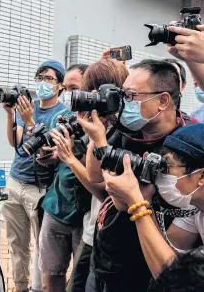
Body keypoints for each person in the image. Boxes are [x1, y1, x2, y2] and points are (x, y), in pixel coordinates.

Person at [78, 59, 198, 292]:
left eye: (131, 95)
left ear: (163, 100)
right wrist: (96, 137)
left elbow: (124, 202)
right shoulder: (129, 129)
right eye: (123, 94)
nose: (124, 102)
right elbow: (94, 176)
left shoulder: (186, 144)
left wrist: (104, 146)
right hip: (107, 253)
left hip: (146, 265)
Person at [101, 123, 204, 292]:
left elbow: (174, 282)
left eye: (168, 167)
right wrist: (144, 200)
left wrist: (136, 204)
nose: (161, 174)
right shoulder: (195, 206)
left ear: (201, 175)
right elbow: (169, 262)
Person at [60, 59, 128, 292]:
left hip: (111, 237)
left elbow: (101, 188)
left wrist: (70, 157)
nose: (90, 97)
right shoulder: (103, 124)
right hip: (94, 229)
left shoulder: (125, 131)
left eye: (97, 92)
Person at [2, 60, 66, 292]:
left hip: (40, 189)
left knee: (42, 247)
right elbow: (16, 142)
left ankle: (40, 289)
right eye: (40, 78)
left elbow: (47, 151)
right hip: (15, 181)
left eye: (49, 78)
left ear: (60, 85)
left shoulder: (63, 115)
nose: (43, 83)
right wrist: (11, 115)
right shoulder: (28, 107)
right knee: (16, 244)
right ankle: (20, 287)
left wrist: (30, 121)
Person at [33, 63, 88, 292]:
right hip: (56, 207)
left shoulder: (103, 124)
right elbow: (56, 159)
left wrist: (72, 155)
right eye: (66, 88)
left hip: (84, 213)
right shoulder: (63, 119)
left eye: (74, 87)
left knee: (79, 282)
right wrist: (47, 157)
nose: (69, 94)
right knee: (51, 275)